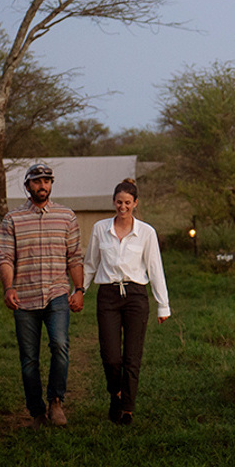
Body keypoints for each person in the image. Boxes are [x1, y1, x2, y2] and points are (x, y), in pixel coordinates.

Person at [0, 162, 84, 429]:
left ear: (51, 185)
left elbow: (75, 257)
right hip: (25, 296)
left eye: (46, 181)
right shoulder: (12, 219)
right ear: (27, 186)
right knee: (29, 358)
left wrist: (79, 290)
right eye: (37, 181)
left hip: (57, 294)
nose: (42, 185)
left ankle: (56, 402)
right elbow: (4, 257)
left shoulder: (66, 217)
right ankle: (37, 412)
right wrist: (9, 288)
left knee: (59, 345)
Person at [83, 177, 170, 425]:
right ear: (113, 202)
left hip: (136, 296)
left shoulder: (146, 232)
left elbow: (155, 269)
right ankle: (116, 393)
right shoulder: (101, 229)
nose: (123, 207)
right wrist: (80, 291)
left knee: (132, 356)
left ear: (135, 203)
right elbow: (91, 264)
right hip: (108, 296)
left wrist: (162, 305)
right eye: (119, 202)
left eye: (127, 203)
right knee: (111, 356)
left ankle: (127, 409)